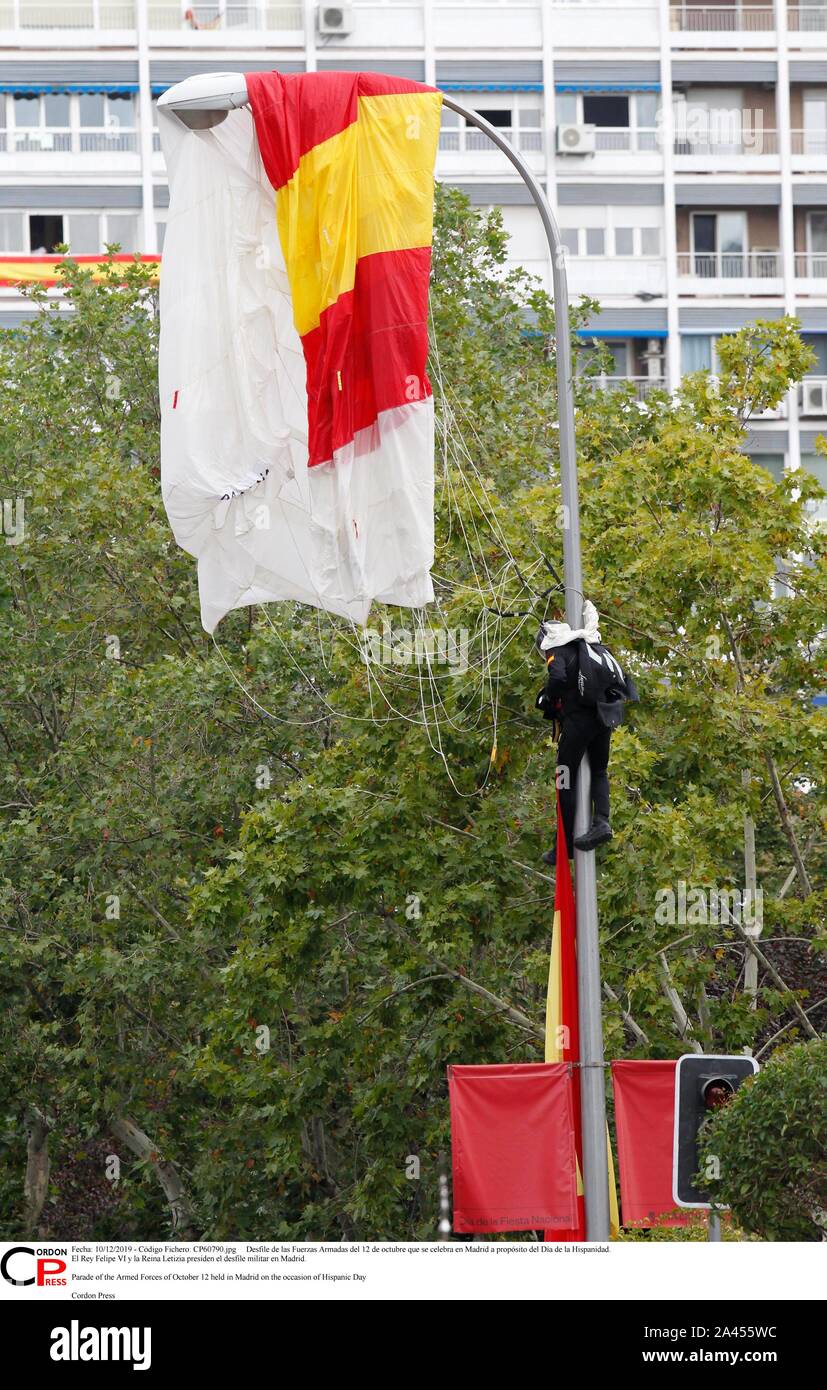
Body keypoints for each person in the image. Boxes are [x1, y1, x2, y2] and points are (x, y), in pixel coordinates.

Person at [535, 600, 637, 866]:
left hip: (579, 720)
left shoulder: (557, 649)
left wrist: (550, 699)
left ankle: (564, 843)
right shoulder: (590, 646)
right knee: (599, 770)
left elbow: (557, 679)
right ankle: (601, 821)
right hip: (604, 716)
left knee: (565, 777)